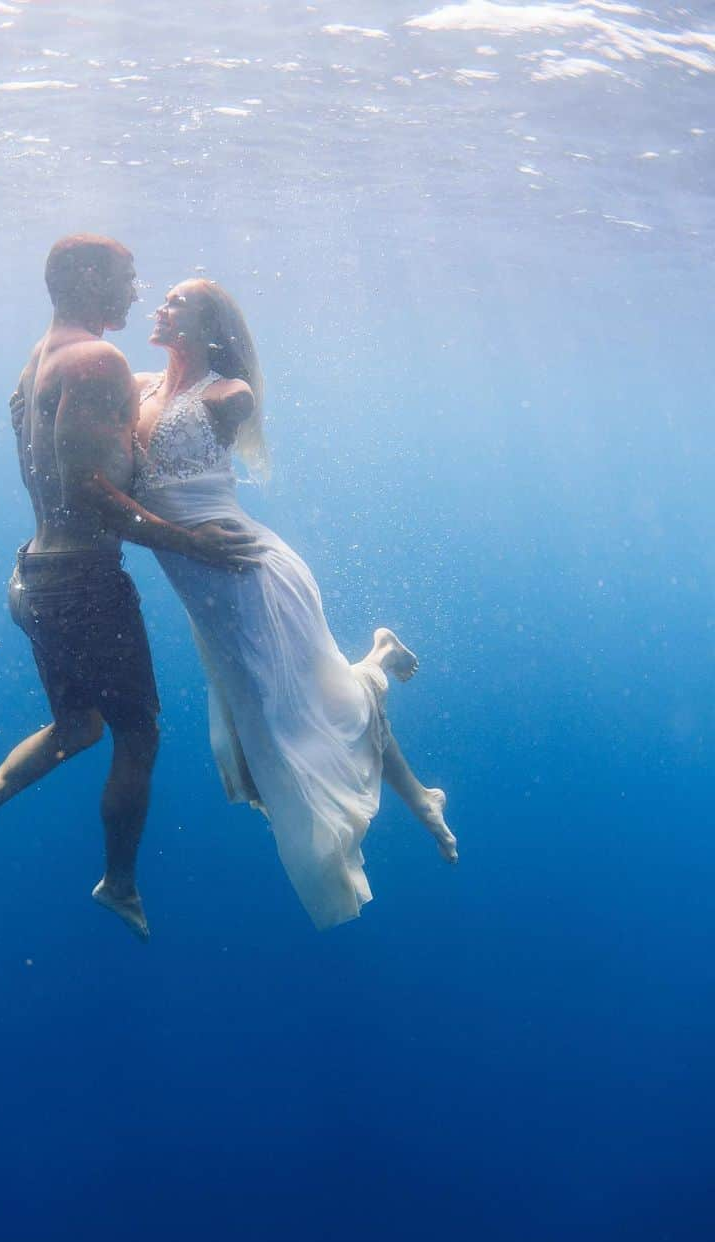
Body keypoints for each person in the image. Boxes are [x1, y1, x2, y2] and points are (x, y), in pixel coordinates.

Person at [0, 238, 257, 940]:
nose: (137, 292)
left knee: (78, 725)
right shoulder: (97, 359)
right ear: (86, 278)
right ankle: (119, 882)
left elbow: (62, 463)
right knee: (137, 736)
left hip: (34, 578)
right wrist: (190, 541)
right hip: (83, 582)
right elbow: (87, 488)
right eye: (126, 277)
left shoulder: (44, 352)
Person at [132, 278, 457, 930]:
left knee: (300, 718)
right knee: (293, 719)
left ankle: (415, 782)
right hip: (206, 579)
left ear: (209, 325)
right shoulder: (139, 385)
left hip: (247, 571)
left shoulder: (229, 393)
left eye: (177, 303)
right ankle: (398, 726)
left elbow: (169, 461)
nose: (160, 307)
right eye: (163, 298)